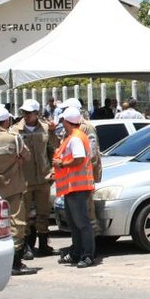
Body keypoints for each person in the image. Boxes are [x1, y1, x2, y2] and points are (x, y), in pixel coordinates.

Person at [0, 106, 36, 276]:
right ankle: (16, 262)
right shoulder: (14, 138)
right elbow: (26, 156)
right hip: (13, 186)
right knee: (17, 224)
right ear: (7, 121)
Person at [12, 99, 56, 258]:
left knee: (43, 214)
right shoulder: (15, 130)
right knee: (24, 216)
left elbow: (53, 149)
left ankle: (44, 245)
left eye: (29, 113)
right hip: (24, 180)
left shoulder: (45, 128)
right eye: (24, 112)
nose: (26, 115)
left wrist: (52, 170)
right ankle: (25, 247)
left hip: (43, 179)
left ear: (37, 113)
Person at [53, 106, 96, 268]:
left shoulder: (76, 138)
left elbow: (79, 158)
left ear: (66, 121)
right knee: (74, 222)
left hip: (78, 187)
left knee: (81, 223)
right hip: (73, 187)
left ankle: (87, 255)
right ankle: (77, 252)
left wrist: (61, 164)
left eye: (63, 120)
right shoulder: (73, 136)